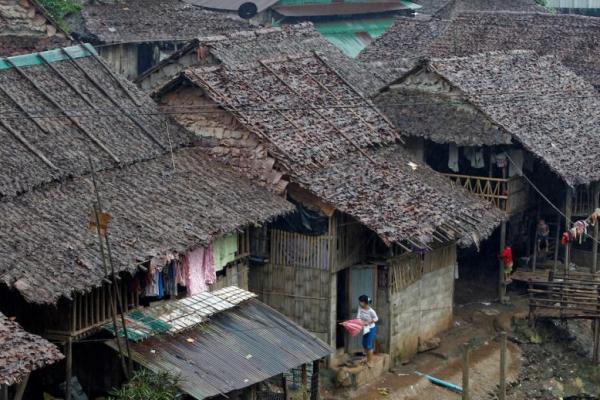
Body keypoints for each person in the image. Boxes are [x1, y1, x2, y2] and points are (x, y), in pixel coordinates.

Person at [357, 295, 378, 367]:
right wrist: (361, 322)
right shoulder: (360, 308)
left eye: (361, 302)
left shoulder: (371, 311)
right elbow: (358, 317)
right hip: (365, 328)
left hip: (371, 328)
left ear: (365, 302)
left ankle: (370, 362)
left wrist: (368, 322)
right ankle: (367, 359)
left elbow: (376, 319)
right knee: (364, 344)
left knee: (369, 345)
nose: (359, 303)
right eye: (359, 301)